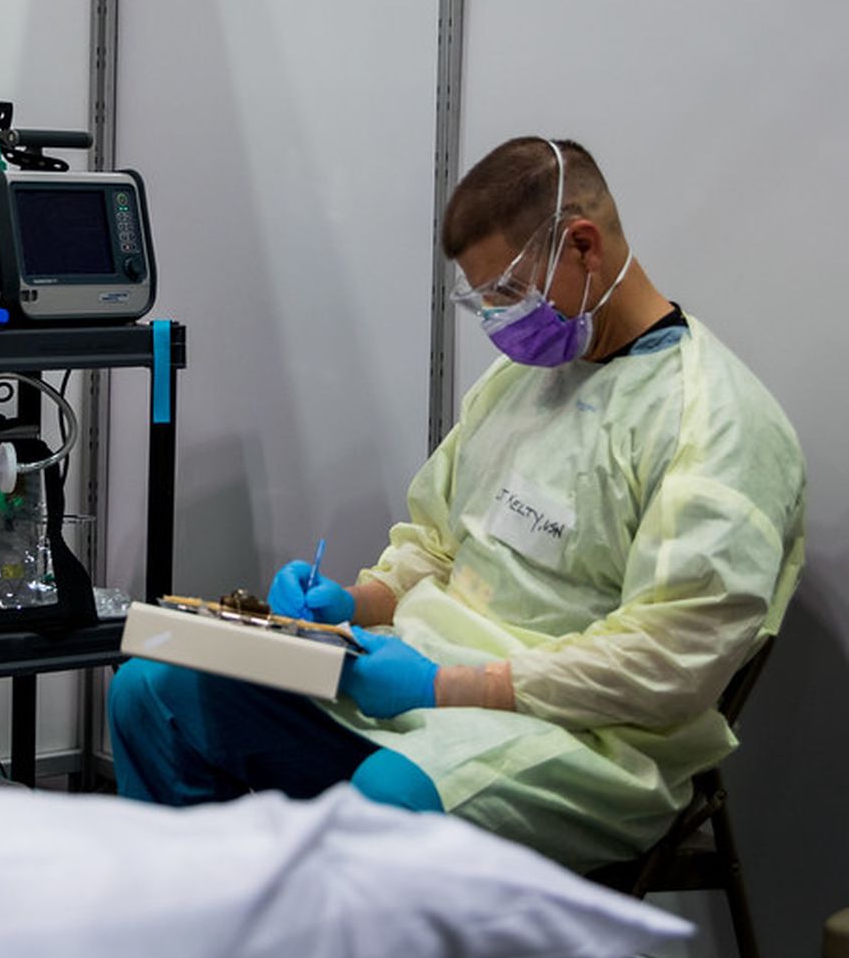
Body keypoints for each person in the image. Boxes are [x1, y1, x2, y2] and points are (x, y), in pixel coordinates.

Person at [107, 137, 806, 870]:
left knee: (385, 801)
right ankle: (192, 952)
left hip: (583, 738)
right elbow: (435, 545)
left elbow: (666, 664)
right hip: (417, 689)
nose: (500, 323)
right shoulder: (520, 386)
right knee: (154, 686)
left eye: (508, 293)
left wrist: (451, 685)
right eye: (484, 302)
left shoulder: (714, 421)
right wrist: (353, 601)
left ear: (583, 245)